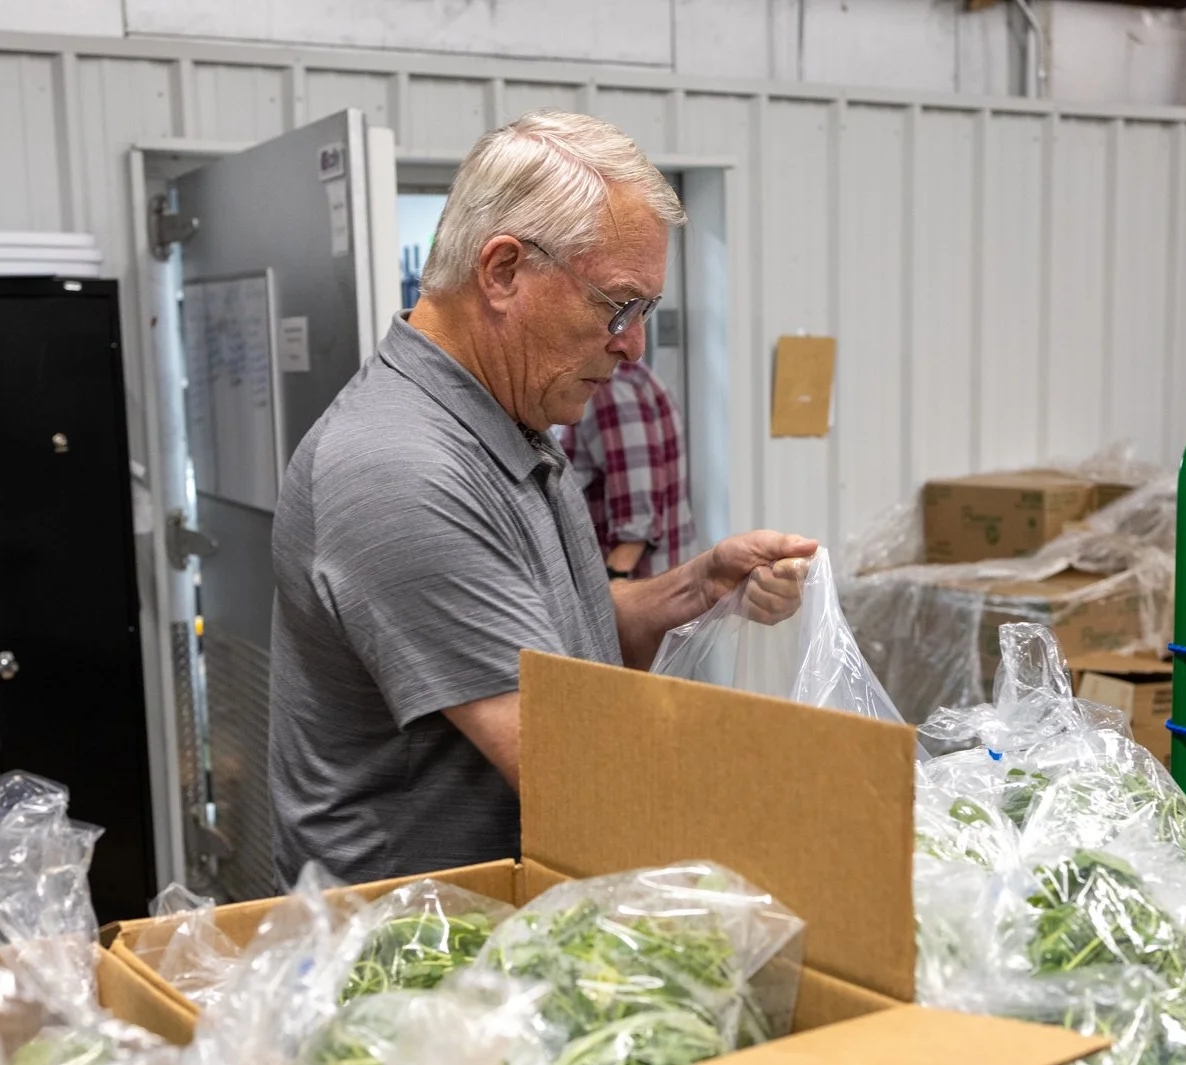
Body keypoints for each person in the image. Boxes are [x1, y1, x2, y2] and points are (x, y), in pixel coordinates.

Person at [268, 111, 815, 889]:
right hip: (425, 958)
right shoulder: (400, 470)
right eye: (616, 306)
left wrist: (696, 588)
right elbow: (572, 768)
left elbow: (553, 647)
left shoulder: (513, 420)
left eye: (643, 315)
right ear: (502, 272)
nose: (630, 345)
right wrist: (813, 819)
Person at [561, 357, 695, 579]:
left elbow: (636, 524)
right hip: (661, 588)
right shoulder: (620, 378)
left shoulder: (609, 388)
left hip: (642, 594)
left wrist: (608, 593)